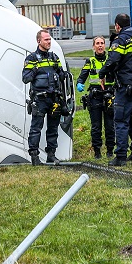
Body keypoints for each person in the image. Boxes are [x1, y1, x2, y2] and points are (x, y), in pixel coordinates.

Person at [101, 13, 132, 166]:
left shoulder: (121, 40)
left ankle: (121, 156)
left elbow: (112, 60)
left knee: (121, 121)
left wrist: (102, 74)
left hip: (126, 88)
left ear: (118, 26)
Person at [22, 29, 69, 165]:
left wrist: (62, 74)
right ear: (39, 41)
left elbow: (62, 77)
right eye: (46, 39)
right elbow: (25, 78)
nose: (49, 42)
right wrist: (36, 70)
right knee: (36, 128)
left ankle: (51, 155)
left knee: (53, 128)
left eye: (50, 39)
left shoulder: (54, 57)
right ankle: (35, 157)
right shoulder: (31, 59)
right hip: (40, 100)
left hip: (54, 99)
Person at [76, 36, 115, 159]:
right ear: (93, 46)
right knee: (96, 126)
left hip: (109, 95)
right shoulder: (90, 61)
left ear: (105, 45)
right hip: (95, 96)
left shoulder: (111, 59)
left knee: (110, 125)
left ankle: (110, 150)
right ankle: (97, 151)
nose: (100, 46)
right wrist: (80, 83)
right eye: (97, 43)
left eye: (102, 43)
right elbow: (83, 75)